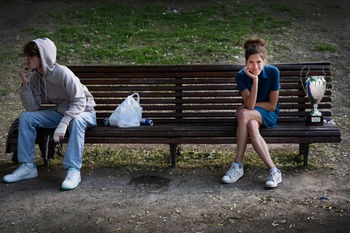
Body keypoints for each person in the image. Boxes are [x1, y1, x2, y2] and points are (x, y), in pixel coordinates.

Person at [2, 38, 97, 191]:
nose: (28, 59)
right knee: (26, 118)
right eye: (27, 55)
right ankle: (28, 166)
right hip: (62, 112)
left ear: (43, 56)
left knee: (76, 121)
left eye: (32, 55)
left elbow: (80, 101)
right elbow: (31, 108)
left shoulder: (63, 72)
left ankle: (73, 170)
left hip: (85, 112)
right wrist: (25, 84)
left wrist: (65, 122)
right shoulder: (36, 78)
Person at [221, 38, 282, 188]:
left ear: (264, 61)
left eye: (259, 62)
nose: (255, 66)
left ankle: (237, 164)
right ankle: (274, 170)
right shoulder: (241, 76)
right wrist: (255, 81)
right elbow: (250, 104)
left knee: (243, 114)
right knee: (252, 126)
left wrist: (244, 107)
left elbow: (272, 105)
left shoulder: (273, 72)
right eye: (251, 62)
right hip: (253, 115)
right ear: (246, 63)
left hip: (268, 113)